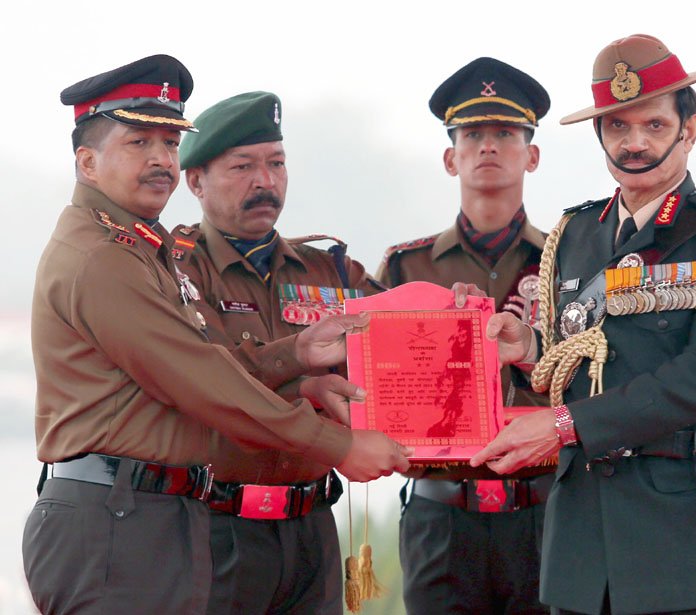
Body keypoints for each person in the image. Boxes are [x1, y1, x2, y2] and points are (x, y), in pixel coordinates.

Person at [22, 56, 411, 615]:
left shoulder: (137, 250)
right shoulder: (102, 260)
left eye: (169, 142)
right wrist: (340, 445)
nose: (161, 160)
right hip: (118, 521)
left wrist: (294, 357)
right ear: (88, 162)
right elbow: (202, 382)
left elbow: (202, 366)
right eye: (138, 142)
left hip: (153, 518)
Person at [470, 34, 696, 615]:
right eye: (617, 128)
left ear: (689, 130)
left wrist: (563, 426)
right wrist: (529, 347)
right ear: (600, 135)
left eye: (655, 126)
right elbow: (581, 359)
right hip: (580, 539)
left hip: (676, 536)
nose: (634, 144)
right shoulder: (576, 233)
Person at [175, 90, 385, 614]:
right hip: (214, 532)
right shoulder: (176, 270)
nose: (264, 181)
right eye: (243, 166)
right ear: (195, 181)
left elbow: (402, 334)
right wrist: (303, 378)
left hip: (312, 529)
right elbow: (207, 379)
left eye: (276, 163)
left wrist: (451, 311)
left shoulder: (331, 272)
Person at [376, 57, 554, 614]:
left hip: (546, 511)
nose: (489, 147)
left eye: (506, 133)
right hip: (441, 516)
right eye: (472, 134)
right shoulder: (405, 269)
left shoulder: (569, 262)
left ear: (533, 154)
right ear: (451, 158)